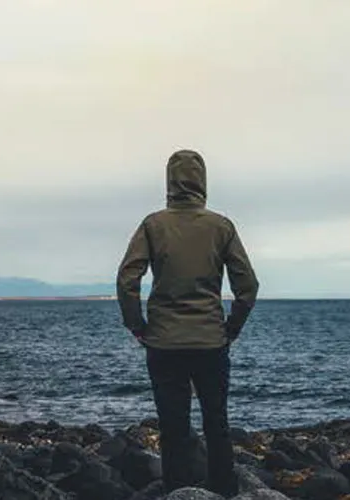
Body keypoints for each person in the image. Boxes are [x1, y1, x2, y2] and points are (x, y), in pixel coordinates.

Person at [116, 149, 259, 496]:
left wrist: (137, 326)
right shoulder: (221, 227)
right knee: (217, 424)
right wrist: (231, 329)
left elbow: (126, 279)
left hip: (163, 342)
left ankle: (178, 492)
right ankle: (225, 490)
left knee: (173, 427)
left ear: (169, 181)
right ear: (203, 181)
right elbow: (248, 286)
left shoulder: (153, 225)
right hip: (211, 341)